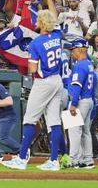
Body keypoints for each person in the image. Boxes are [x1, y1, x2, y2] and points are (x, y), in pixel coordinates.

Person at [4, 9, 67, 172]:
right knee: (54, 121)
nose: (36, 22)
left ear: (42, 23)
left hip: (43, 82)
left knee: (29, 119)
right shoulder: (57, 35)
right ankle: (54, 160)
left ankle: (22, 158)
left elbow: (32, 68)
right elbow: (54, 18)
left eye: (38, 20)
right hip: (57, 80)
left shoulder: (36, 43)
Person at [65, 39, 97, 169]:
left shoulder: (79, 66)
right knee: (85, 131)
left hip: (80, 100)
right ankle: (88, 159)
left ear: (79, 50)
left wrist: (73, 103)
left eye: (72, 50)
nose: (71, 53)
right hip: (88, 99)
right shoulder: (89, 64)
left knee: (74, 130)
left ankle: (74, 160)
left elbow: (77, 86)